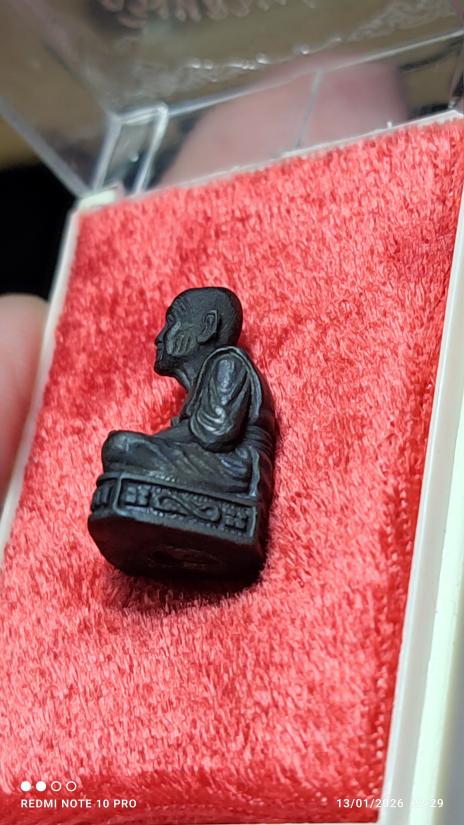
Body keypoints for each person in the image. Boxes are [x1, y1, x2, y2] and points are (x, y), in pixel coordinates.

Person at [101, 287, 275, 499]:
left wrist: (149, 443)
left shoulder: (229, 364)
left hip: (236, 469)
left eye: (172, 322)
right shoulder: (204, 381)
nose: (159, 337)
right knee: (122, 447)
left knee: (122, 446)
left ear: (207, 326)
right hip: (212, 464)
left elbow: (215, 434)